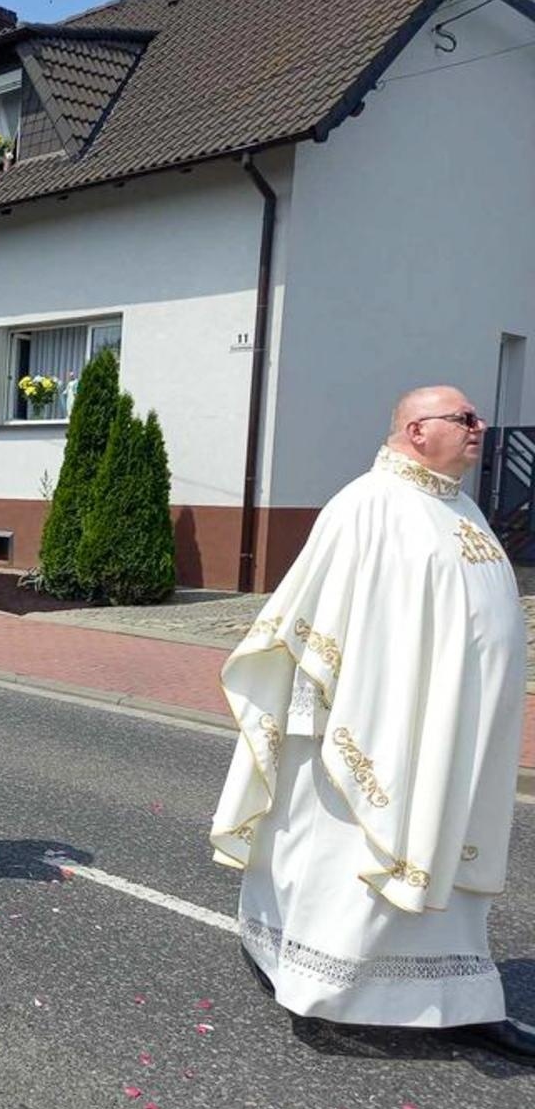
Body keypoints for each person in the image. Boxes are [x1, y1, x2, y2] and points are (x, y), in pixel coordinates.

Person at [210, 385, 533, 1064]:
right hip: (384, 725)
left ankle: (459, 999)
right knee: (354, 852)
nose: (481, 428)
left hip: (457, 727)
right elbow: (319, 617)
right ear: (417, 430)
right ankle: (321, 981)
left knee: (443, 848)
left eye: (476, 418)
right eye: (464, 418)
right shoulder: (367, 506)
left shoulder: (458, 505)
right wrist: (333, 713)